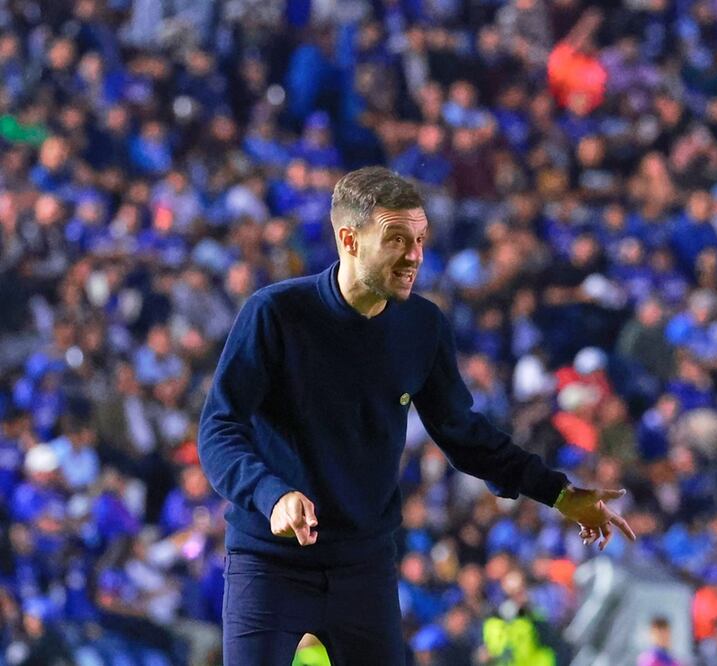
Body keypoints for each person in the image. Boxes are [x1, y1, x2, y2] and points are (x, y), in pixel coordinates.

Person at [197, 166, 634, 665]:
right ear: (349, 240)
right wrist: (271, 495)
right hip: (269, 563)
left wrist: (558, 492)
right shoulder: (274, 314)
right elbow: (218, 429)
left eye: (421, 240)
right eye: (398, 240)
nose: (415, 257)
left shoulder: (423, 327)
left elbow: (465, 435)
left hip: (364, 567)